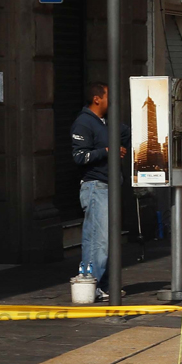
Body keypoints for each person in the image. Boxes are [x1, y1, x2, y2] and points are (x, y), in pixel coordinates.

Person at [68, 83, 120, 288]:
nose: (112, 100)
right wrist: (106, 150)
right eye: (108, 96)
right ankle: (93, 287)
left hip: (107, 187)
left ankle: (103, 285)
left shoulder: (103, 122)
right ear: (97, 99)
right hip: (96, 187)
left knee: (105, 240)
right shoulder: (84, 123)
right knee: (98, 240)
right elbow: (80, 157)